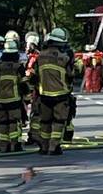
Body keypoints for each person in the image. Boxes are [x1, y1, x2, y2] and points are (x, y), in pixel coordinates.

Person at [28, 28, 78, 156]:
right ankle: (54, 147)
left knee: (45, 121)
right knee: (58, 122)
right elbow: (71, 74)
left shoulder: (40, 56)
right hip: (61, 95)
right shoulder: (65, 57)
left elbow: (34, 75)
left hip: (44, 94)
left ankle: (44, 147)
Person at [0, 33, 28, 151]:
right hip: (14, 100)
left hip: (0, 100)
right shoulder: (18, 67)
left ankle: (3, 146)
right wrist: (27, 98)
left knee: (2, 123)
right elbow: (24, 83)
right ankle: (15, 144)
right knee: (14, 123)